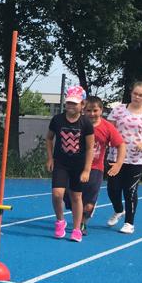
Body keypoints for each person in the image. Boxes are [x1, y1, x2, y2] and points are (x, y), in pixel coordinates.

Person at [63, 96, 126, 235]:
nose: (92, 114)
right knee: (69, 196)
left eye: (95, 110)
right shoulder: (77, 123)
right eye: (88, 110)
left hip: (95, 168)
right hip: (74, 166)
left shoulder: (107, 127)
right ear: (83, 110)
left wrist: (118, 164)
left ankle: (82, 223)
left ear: (101, 110)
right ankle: (77, 214)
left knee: (88, 203)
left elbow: (121, 145)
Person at [106, 81, 142, 234]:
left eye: (141, 95)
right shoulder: (118, 110)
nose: (137, 97)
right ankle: (118, 210)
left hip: (136, 158)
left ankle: (129, 223)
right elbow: (108, 129)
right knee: (113, 189)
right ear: (131, 93)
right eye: (135, 93)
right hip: (116, 156)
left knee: (130, 190)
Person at [46, 85, 94, 242]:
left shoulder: (86, 123)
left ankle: (76, 228)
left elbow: (90, 148)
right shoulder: (57, 120)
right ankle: (60, 221)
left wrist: (87, 170)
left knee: (76, 196)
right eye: (69, 102)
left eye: (74, 103)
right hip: (61, 162)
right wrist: (50, 158)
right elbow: (49, 138)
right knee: (57, 194)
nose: (71, 106)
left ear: (82, 104)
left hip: (78, 165)